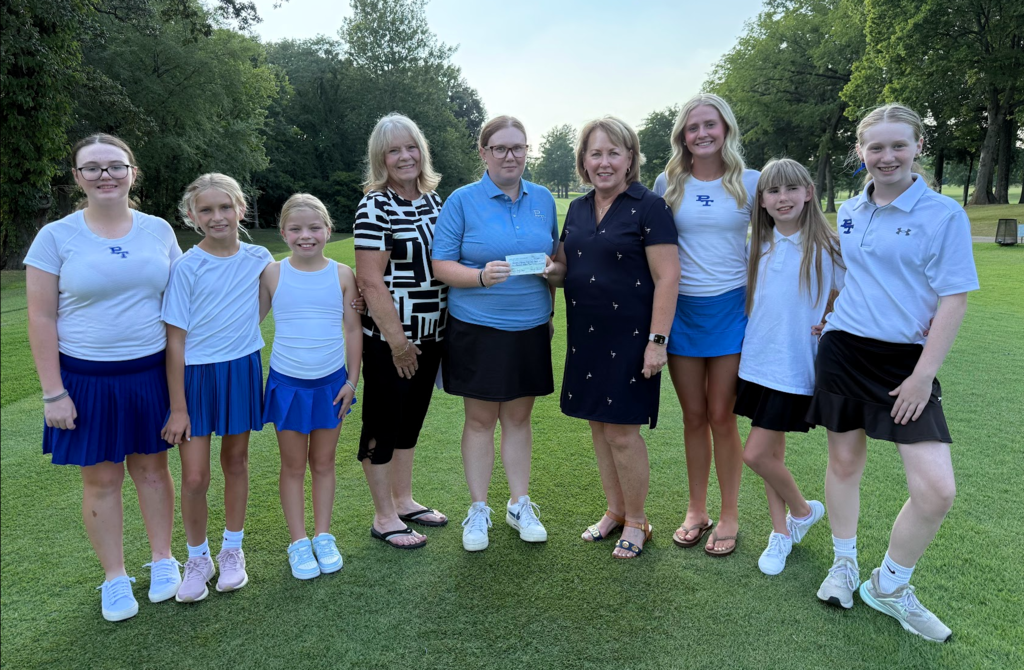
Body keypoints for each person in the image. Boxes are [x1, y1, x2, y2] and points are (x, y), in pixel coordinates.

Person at [808, 104, 977, 643]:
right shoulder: (851, 209)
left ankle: (890, 585)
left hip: (907, 364)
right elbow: (854, 274)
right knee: (844, 461)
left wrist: (924, 375)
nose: (886, 157)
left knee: (936, 490)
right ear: (861, 152)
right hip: (843, 350)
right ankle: (844, 565)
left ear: (918, 147)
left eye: (897, 146)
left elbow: (954, 299)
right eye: (875, 147)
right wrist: (828, 314)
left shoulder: (943, 215)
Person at [25, 134, 182, 622]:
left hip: (149, 374)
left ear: (133, 171)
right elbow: (41, 319)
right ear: (77, 177)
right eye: (91, 168)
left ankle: (163, 559)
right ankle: (114, 577)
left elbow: (180, 306)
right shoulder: (55, 236)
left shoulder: (158, 231)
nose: (105, 175)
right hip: (85, 379)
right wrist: (54, 393)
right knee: (102, 479)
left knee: (153, 471)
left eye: (115, 166)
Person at [547, 117, 679, 559]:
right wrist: (552, 271)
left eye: (613, 153)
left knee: (623, 433)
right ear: (583, 161)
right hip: (585, 335)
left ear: (630, 159)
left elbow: (667, 278)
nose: (604, 162)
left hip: (632, 337)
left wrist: (657, 340)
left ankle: (638, 520)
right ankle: (616, 511)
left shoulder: (650, 207)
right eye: (595, 154)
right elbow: (567, 265)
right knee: (599, 429)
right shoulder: (580, 208)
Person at [432, 115, 559, 552]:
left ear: (527, 152)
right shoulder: (462, 200)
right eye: (500, 148)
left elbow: (557, 263)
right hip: (478, 329)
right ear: (484, 153)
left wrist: (554, 272)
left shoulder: (542, 198)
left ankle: (519, 503)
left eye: (518, 147)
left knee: (519, 419)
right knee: (481, 421)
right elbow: (442, 265)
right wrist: (480, 277)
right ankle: (479, 508)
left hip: (529, 326)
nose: (510, 155)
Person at [653, 93, 760, 556]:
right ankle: (697, 510)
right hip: (683, 314)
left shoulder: (751, 183)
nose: (702, 133)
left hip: (732, 310)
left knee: (722, 415)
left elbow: (781, 242)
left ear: (726, 129)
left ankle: (730, 512)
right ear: (683, 135)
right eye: (693, 126)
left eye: (710, 125)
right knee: (693, 416)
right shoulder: (667, 182)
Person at [161, 173, 273, 601]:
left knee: (237, 461)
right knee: (194, 476)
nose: (217, 216)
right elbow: (175, 341)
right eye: (206, 209)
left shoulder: (260, 257)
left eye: (225, 207)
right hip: (194, 378)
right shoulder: (187, 267)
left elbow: (290, 289)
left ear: (240, 209)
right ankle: (197, 557)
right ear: (192, 216)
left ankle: (231, 551)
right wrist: (178, 407)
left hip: (240, 369)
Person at [735, 158, 844, 575]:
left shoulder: (828, 246)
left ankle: (801, 511)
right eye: (773, 191)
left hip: (795, 365)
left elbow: (844, 298)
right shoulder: (756, 246)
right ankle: (780, 533)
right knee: (772, 455)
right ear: (761, 200)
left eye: (791, 189)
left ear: (808, 193)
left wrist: (828, 321)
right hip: (756, 362)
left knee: (757, 454)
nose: (783, 199)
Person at [353, 114, 449, 549]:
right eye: (394, 150)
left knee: (410, 421)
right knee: (382, 422)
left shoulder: (434, 201)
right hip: (391, 340)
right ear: (381, 158)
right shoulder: (376, 204)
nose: (405, 156)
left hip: (433, 334)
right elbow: (371, 280)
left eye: (411, 147)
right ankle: (384, 515)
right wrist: (397, 342)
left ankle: (404, 499)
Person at [260, 193, 362, 578]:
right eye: (297, 229)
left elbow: (353, 330)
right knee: (292, 466)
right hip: (287, 384)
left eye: (314, 228)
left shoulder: (342, 274)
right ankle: (299, 541)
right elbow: (247, 322)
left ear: (328, 230)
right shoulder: (272, 273)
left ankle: (323, 535)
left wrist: (352, 381)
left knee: (323, 463)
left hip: (332, 385)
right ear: (283, 232)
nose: (306, 236)